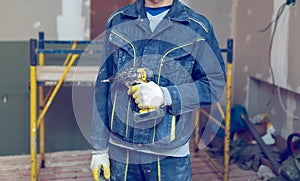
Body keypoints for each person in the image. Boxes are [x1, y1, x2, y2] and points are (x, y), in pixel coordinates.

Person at [90, 0, 226, 180]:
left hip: (169, 158)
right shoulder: (119, 20)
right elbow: (103, 84)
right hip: (121, 155)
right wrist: (98, 149)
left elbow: (214, 84)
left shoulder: (197, 27)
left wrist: (166, 95)